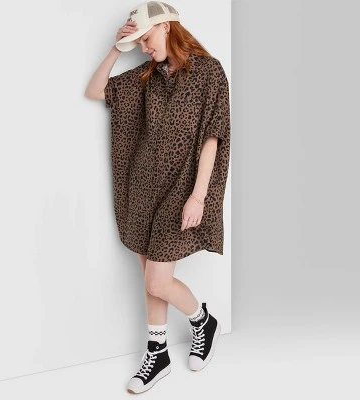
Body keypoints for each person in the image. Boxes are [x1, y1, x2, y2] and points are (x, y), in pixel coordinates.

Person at [84, 1, 230, 394]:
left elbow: (213, 137)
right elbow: (95, 90)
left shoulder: (209, 72)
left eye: (146, 38)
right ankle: (158, 351)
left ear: (166, 27)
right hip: (142, 189)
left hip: (181, 191)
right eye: (139, 44)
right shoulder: (146, 77)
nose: (144, 48)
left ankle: (203, 322)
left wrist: (198, 197)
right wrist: (117, 48)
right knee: (151, 282)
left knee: (157, 280)